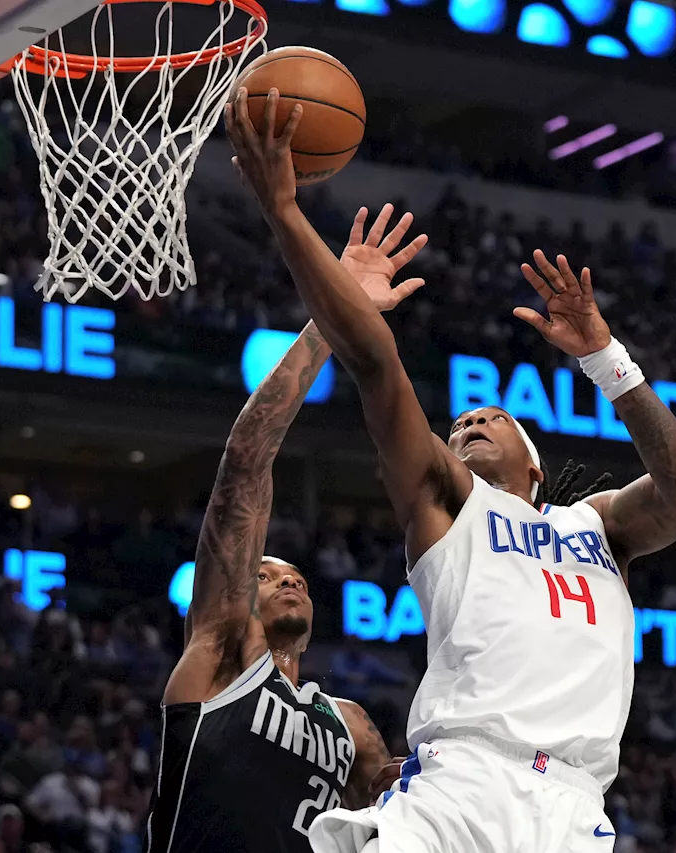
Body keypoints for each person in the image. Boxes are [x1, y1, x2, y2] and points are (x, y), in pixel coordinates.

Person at [225, 88, 676, 853]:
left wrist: (605, 362)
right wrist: (288, 215)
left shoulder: (601, 526)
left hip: (571, 805)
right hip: (459, 785)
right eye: (458, 426)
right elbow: (376, 364)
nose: (470, 422)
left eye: (491, 419)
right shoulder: (447, 504)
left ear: (538, 465)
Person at [145, 212, 430, 853]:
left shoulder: (351, 725)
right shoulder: (221, 654)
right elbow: (247, 457)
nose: (289, 577)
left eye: (294, 575)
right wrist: (336, 315)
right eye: (266, 573)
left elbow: (401, 816)